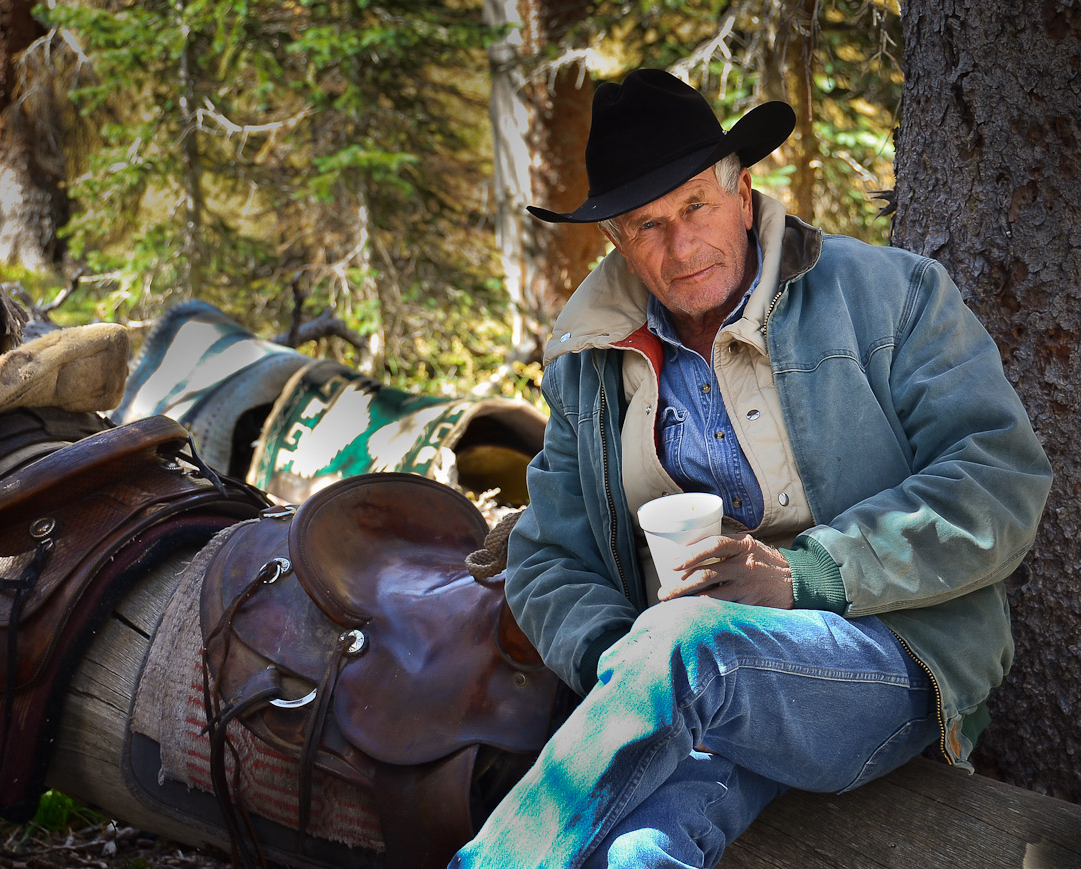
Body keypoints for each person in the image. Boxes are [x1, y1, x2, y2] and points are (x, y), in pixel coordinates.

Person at [449, 68, 1052, 868]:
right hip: (688, 685)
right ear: (617, 240)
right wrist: (627, 663)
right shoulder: (586, 365)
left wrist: (805, 576)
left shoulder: (890, 294)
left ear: (741, 193)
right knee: (638, 850)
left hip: (889, 656)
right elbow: (549, 556)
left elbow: (999, 481)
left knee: (689, 646)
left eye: (694, 205)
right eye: (646, 225)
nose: (680, 244)